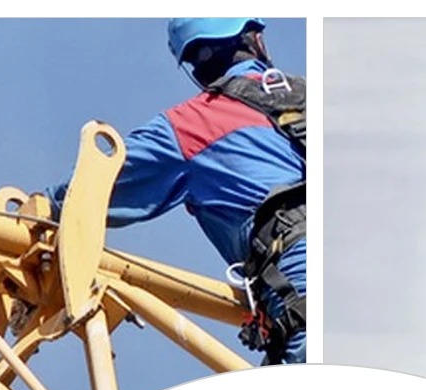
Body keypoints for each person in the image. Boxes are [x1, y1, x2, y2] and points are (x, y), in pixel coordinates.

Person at [52, 18, 306, 364]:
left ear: (196, 71)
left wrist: (37, 210)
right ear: (255, 39)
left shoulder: (193, 126)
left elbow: (89, 190)